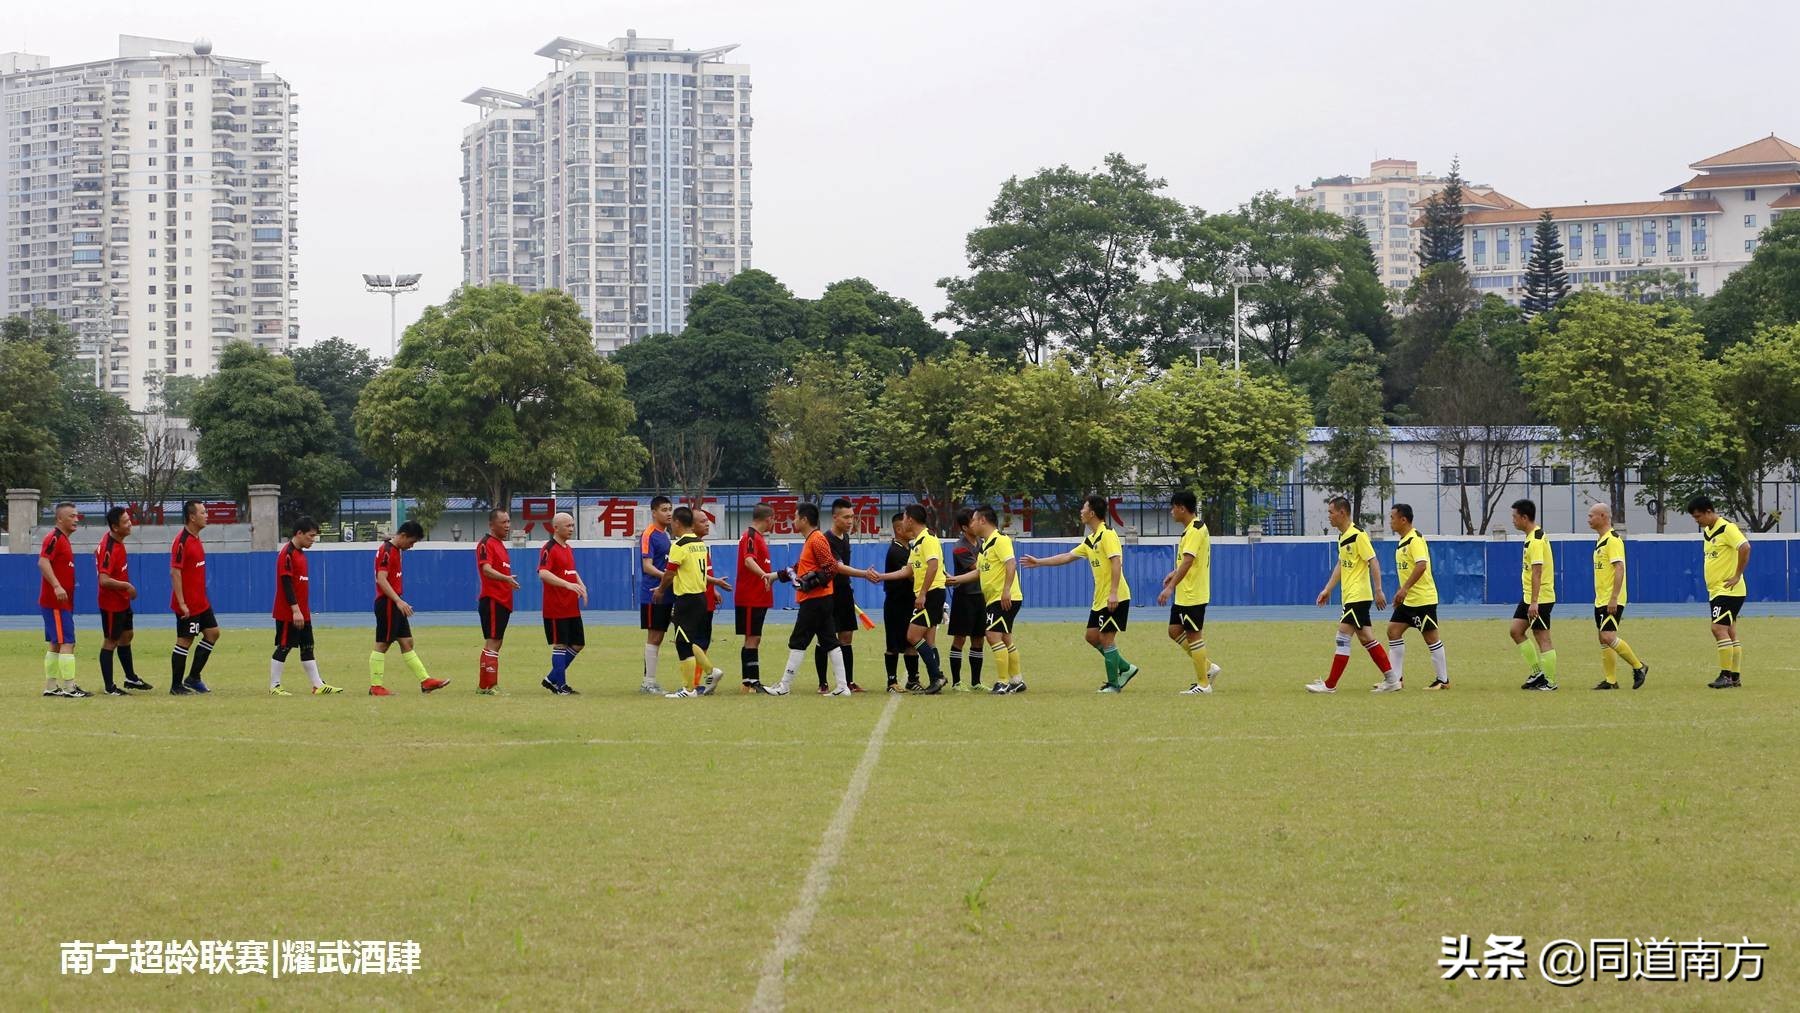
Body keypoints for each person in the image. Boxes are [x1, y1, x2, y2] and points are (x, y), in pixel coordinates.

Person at [1022, 494, 1138, 693]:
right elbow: (1067, 556)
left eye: (1084, 508)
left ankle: (1113, 685)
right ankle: (1126, 668)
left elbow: (1116, 563)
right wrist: (1039, 562)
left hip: (1114, 597)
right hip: (1099, 599)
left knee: (1106, 639)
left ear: (1092, 513)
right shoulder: (1091, 539)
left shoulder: (1108, 535)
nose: (1081, 512)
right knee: (1091, 636)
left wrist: (1113, 593)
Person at [1303, 495, 1396, 694]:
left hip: (1358, 596)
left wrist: (1379, 590)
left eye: (1331, 512)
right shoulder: (1343, 537)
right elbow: (1341, 565)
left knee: (1342, 636)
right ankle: (1391, 679)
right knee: (1366, 638)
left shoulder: (1358, 535)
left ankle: (1330, 685)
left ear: (1342, 513)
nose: (1329, 516)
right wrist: (1328, 589)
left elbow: (1373, 561)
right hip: (1352, 597)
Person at [767, 503, 852, 697]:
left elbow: (831, 567)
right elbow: (799, 568)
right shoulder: (812, 540)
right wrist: (774, 576)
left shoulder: (816, 539)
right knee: (830, 640)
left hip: (815, 600)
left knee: (798, 640)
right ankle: (842, 686)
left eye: (796, 517)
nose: (793, 521)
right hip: (819, 599)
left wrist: (811, 583)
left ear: (804, 519)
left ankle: (784, 686)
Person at [946, 506, 1027, 693]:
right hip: (994, 598)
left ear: (983, 520)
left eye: (974, 520)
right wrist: (955, 580)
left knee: (991, 636)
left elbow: (1011, 563)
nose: (972, 523)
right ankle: (1017, 680)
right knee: (1005, 638)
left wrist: (1006, 590)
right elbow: (979, 572)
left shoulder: (1000, 540)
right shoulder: (986, 546)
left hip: (1003, 598)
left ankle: (1002, 682)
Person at [871, 504, 950, 693]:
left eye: (905, 517)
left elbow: (933, 566)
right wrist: (881, 576)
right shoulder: (917, 543)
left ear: (911, 520)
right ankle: (935, 679)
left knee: (912, 636)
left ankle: (937, 677)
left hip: (932, 594)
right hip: (928, 593)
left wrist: (922, 593)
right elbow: (907, 570)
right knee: (929, 640)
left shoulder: (928, 539)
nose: (903, 521)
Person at [660, 507, 734, 698]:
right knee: (688, 640)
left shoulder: (680, 545)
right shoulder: (699, 544)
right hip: (700, 598)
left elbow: (670, 572)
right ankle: (711, 671)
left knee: (682, 644)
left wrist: (660, 590)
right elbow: (692, 572)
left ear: (677, 522)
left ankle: (688, 688)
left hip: (687, 599)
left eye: (672, 523)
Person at [370, 520, 449, 696]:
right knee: (383, 644)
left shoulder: (395, 549)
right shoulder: (387, 551)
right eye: (411, 542)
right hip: (388, 603)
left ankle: (426, 681)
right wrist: (398, 601)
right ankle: (376, 686)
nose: (411, 546)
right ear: (403, 536)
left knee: (407, 642)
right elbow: (381, 579)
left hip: (395, 602)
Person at [1157, 491, 1222, 695]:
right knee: (1174, 631)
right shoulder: (1192, 529)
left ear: (1182, 508)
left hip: (1193, 594)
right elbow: (1188, 561)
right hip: (1185, 594)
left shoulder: (1194, 530)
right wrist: (1174, 573)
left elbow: (1189, 560)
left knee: (1194, 636)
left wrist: (1170, 587)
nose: (1171, 512)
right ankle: (1208, 667)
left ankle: (1203, 684)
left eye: (1173, 507)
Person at [270, 516, 341, 695]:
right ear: (299, 533)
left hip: (303, 611)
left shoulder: (301, 553)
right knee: (284, 646)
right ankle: (274, 686)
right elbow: (286, 583)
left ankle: (318, 685)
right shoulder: (287, 553)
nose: (313, 540)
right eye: (310, 536)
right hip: (289, 612)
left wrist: (302, 611)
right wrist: (295, 610)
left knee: (307, 646)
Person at [1382, 503, 1447, 692]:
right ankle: (1395, 680)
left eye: (1392, 517)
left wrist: (1404, 589)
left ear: (1403, 520)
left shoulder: (1415, 539)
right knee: (1393, 631)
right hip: (1408, 600)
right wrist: (1402, 593)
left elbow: (1421, 565)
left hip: (1422, 600)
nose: (1390, 521)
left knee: (1431, 638)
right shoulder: (1403, 541)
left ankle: (1443, 679)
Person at [1688, 495, 1751, 689]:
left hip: (1728, 590)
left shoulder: (1727, 528)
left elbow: (1745, 547)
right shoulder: (1709, 532)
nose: (1697, 521)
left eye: (1699, 516)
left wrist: (1737, 575)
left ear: (1709, 511)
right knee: (1730, 631)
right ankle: (1735, 677)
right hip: (1717, 591)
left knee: (1718, 629)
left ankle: (1725, 676)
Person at [1587, 503, 1649, 691]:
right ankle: (1611, 680)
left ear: (1603, 516)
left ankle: (1639, 667)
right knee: (1602, 637)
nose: (1588, 519)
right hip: (1601, 598)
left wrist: (1614, 597)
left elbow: (1619, 568)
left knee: (1608, 636)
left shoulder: (1613, 540)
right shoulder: (1602, 540)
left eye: (1591, 516)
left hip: (1611, 599)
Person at [816, 498, 872, 694]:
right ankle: (823, 683)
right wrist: (864, 573)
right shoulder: (825, 540)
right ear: (835, 517)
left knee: (847, 636)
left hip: (844, 593)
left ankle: (848, 681)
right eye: (846, 517)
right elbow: (837, 568)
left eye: (852, 517)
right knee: (826, 637)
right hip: (828, 593)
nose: (850, 521)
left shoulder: (846, 538)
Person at [95, 505, 150, 694]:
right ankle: (110, 687)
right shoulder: (109, 547)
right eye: (125, 522)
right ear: (115, 527)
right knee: (110, 641)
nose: (130, 524)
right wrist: (126, 586)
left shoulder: (117, 541)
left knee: (127, 636)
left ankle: (130, 678)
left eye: (129, 519)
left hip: (122, 601)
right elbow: (103, 580)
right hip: (111, 603)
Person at [169, 499, 221, 695]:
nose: (206, 515)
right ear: (192, 517)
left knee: (213, 633)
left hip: (201, 601)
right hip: (188, 604)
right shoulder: (181, 542)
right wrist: (182, 603)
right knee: (185, 641)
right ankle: (176, 686)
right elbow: (175, 572)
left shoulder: (196, 538)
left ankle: (193, 678)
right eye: (203, 512)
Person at [38, 501, 88, 698]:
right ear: (60, 519)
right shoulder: (54, 538)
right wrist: (57, 585)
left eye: (77, 516)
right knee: (68, 641)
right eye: (71, 516)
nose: (76, 519)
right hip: (56, 603)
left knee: (55, 643)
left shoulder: (64, 539)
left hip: (60, 602)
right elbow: (42, 561)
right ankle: (70, 687)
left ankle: (51, 686)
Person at [1509, 499, 1559, 692]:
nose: (1513, 521)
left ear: (1524, 517)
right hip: (1530, 597)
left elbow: (1537, 571)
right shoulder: (1530, 537)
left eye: (1515, 517)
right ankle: (1537, 672)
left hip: (1541, 599)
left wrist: (1535, 602)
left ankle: (1550, 681)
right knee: (1516, 631)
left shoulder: (1537, 540)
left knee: (1542, 637)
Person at [538, 511, 588, 695]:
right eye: (568, 526)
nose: (571, 529)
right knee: (560, 644)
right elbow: (543, 573)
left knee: (578, 644)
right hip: (555, 606)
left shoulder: (568, 548)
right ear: (556, 527)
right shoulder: (548, 548)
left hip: (570, 606)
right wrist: (567, 584)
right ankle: (560, 685)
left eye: (572, 525)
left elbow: (571, 571)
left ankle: (552, 678)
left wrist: (581, 586)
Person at [475, 508, 521, 695]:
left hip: (502, 600)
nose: (508, 526)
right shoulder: (486, 544)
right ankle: (490, 686)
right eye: (504, 522)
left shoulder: (500, 544)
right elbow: (486, 569)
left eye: (509, 522)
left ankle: (483, 686)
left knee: (494, 642)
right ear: (492, 525)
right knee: (493, 642)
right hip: (493, 599)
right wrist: (506, 578)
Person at [734, 503, 777, 692]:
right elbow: (748, 560)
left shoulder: (757, 537)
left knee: (752, 638)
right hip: (751, 597)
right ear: (768, 519)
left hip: (758, 597)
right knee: (752, 639)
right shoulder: (750, 536)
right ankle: (751, 682)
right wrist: (764, 575)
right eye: (774, 519)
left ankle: (748, 682)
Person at [879, 512, 921, 691]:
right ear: (898, 529)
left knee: (911, 642)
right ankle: (892, 681)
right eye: (907, 525)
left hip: (909, 602)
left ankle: (913, 679)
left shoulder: (909, 549)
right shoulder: (896, 550)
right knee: (894, 644)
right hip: (896, 603)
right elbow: (911, 575)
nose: (911, 529)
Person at [946, 509, 986, 691]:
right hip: (965, 596)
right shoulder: (960, 547)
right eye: (973, 521)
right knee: (960, 638)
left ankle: (976, 682)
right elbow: (980, 567)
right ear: (964, 527)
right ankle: (956, 682)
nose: (977, 523)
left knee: (979, 639)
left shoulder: (983, 542)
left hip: (982, 595)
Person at [639, 495, 675, 694]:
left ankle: (650, 681)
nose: (668, 513)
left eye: (670, 509)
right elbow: (647, 566)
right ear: (654, 512)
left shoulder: (665, 534)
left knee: (659, 636)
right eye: (664, 509)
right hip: (653, 593)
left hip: (667, 592)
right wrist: (667, 577)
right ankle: (648, 682)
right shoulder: (649, 534)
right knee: (654, 636)